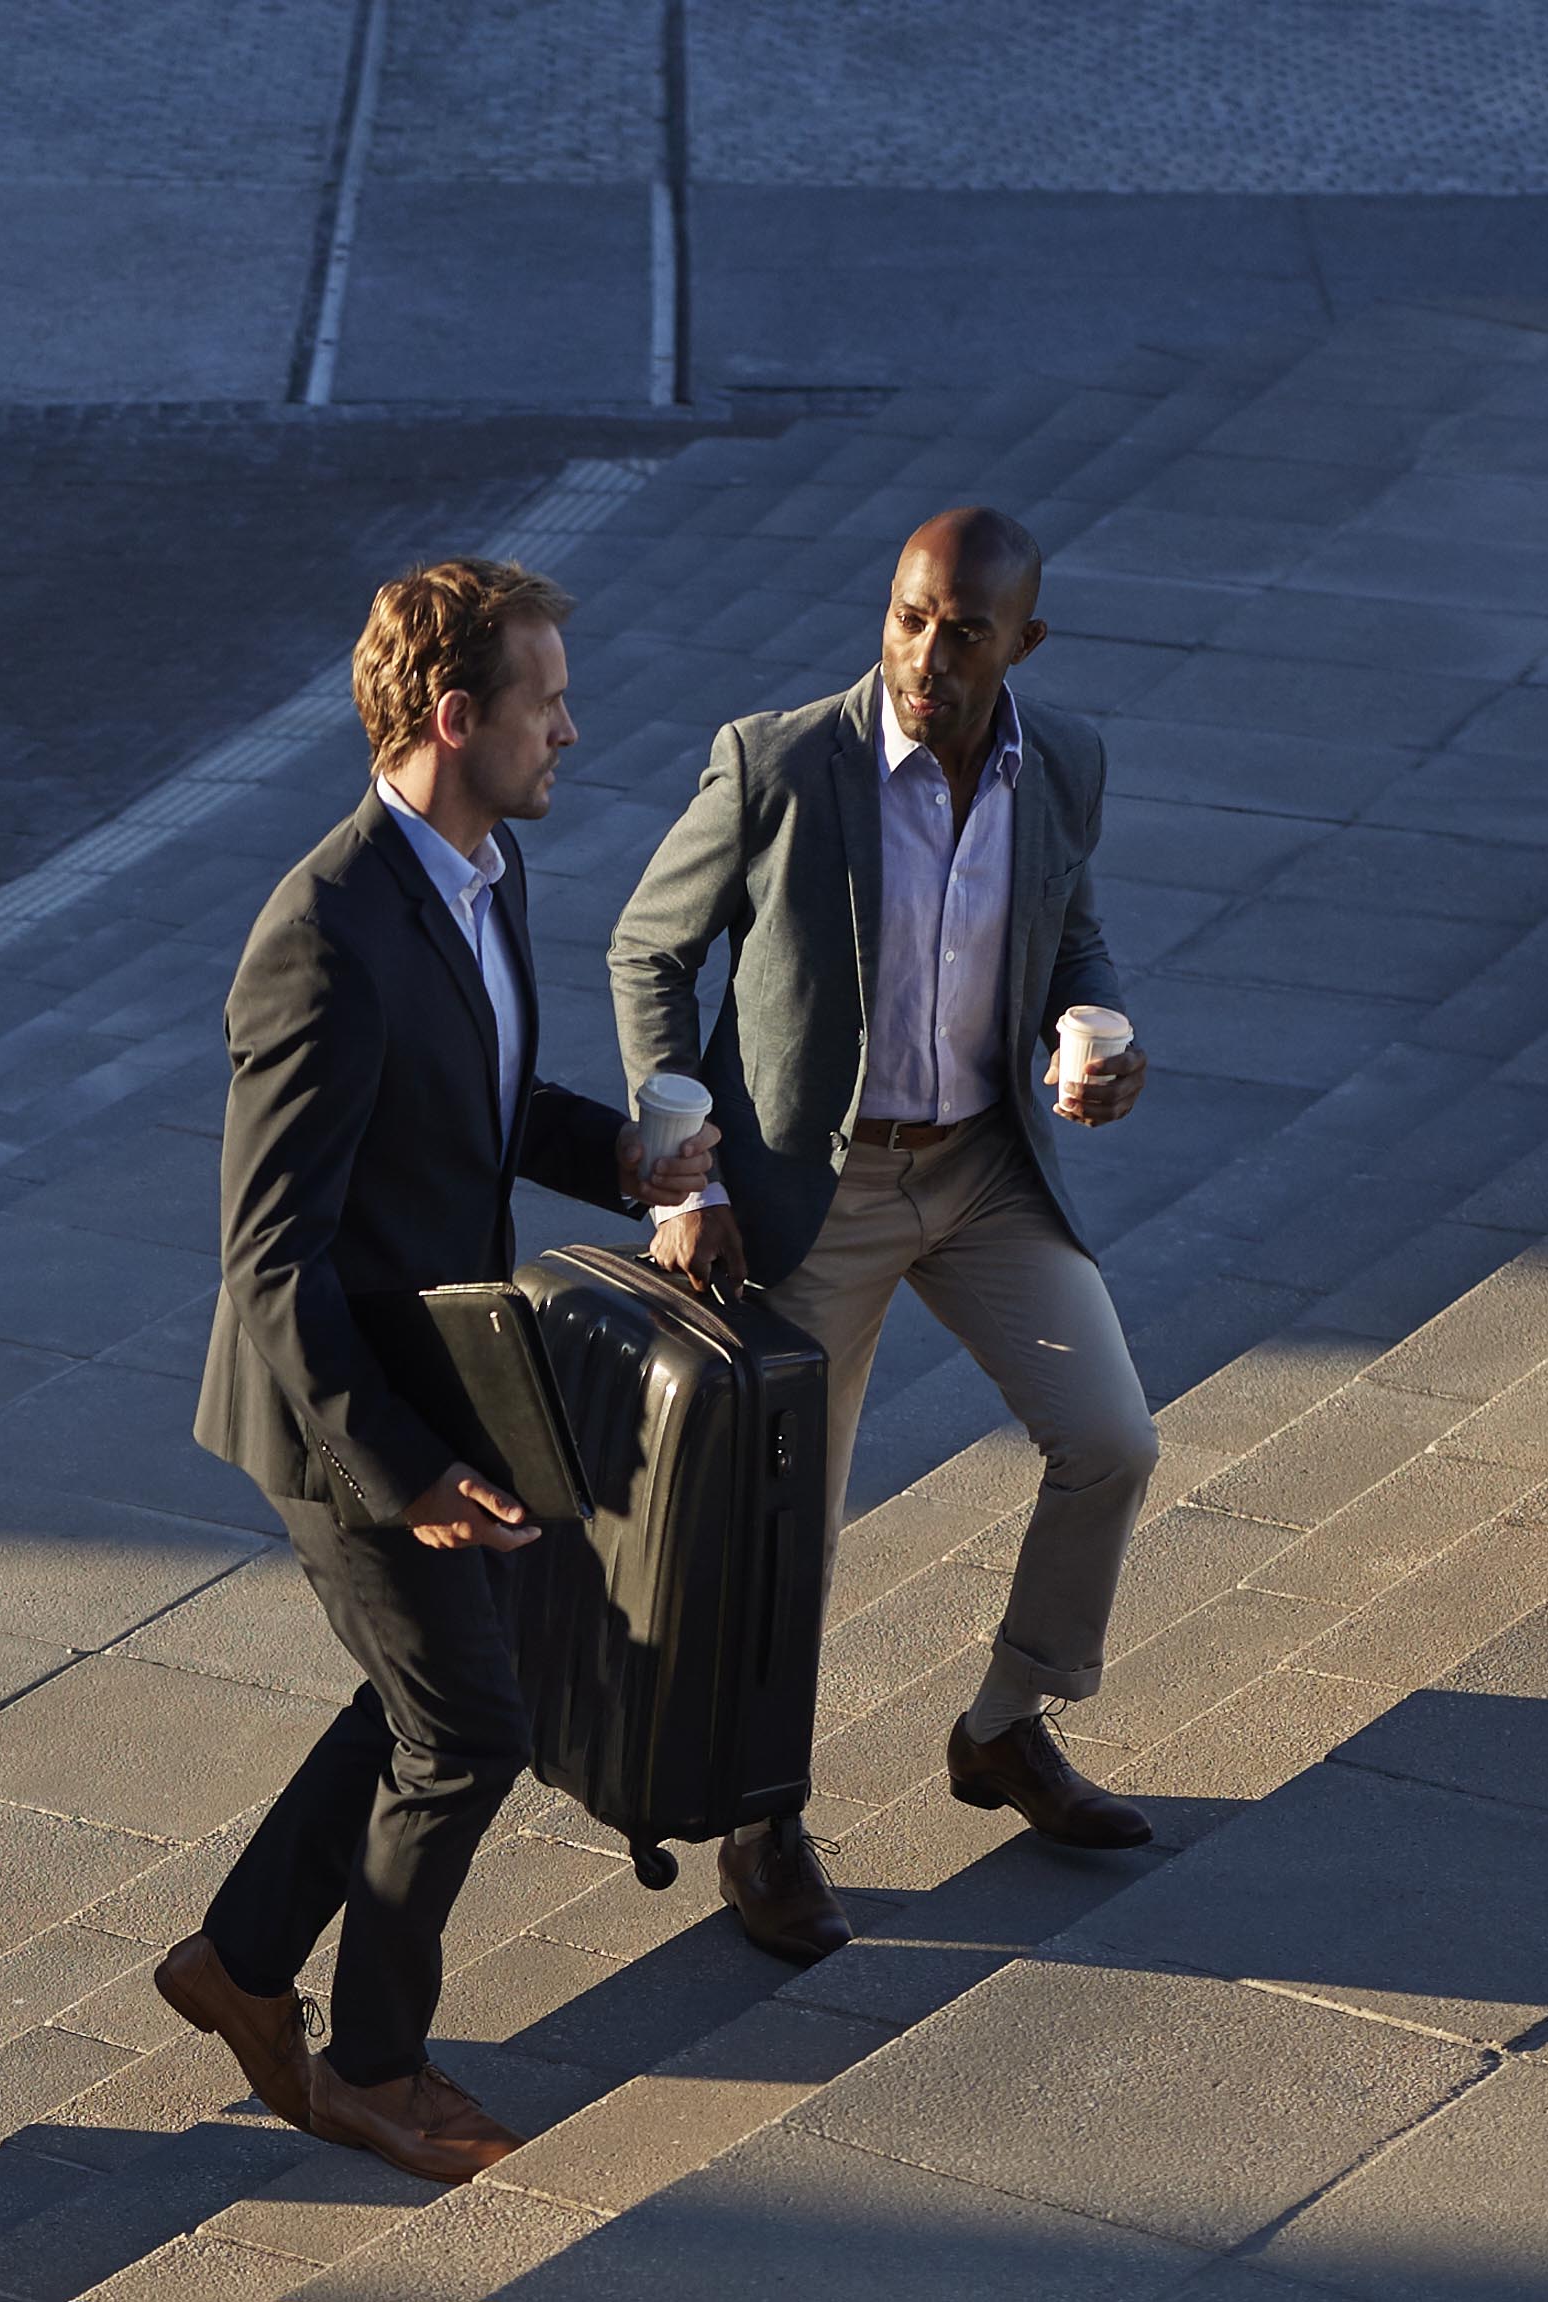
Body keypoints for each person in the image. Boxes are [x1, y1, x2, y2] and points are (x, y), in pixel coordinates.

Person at [164, 560, 725, 2187]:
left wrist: (611, 1154)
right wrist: (399, 1475)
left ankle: (234, 1960)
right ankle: (371, 2064)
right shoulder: (321, 935)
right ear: (450, 717)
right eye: (544, 700)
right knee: (466, 1723)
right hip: (334, 1407)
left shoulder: (482, 872)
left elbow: (469, 1106)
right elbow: (268, 1256)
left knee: (429, 1689)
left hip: (422, 1380)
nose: (571, 726)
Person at [603, 505, 1166, 1970]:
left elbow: (1074, 931)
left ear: (1019, 643)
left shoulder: (1067, 766)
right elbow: (647, 950)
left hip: (981, 1167)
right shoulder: (780, 763)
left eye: (961, 630)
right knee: (792, 1520)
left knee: (1110, 1437)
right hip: (815, 1187)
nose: (923, 652)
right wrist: (684, 1174)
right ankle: (759, 1820)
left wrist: (1092, 1026)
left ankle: (1002, 1724)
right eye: (907, 616)